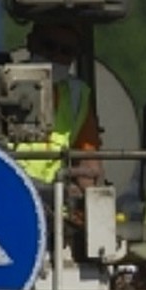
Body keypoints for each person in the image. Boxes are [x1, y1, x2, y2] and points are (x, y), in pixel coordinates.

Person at [18, 20, 104, 191]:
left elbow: (88, 160)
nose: (56, 55)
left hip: (56, 202)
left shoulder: (78, 94)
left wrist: (94, 199)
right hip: (11, 193)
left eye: (66, 51)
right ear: (31, 42)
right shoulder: (4, 84)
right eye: (49, 46)